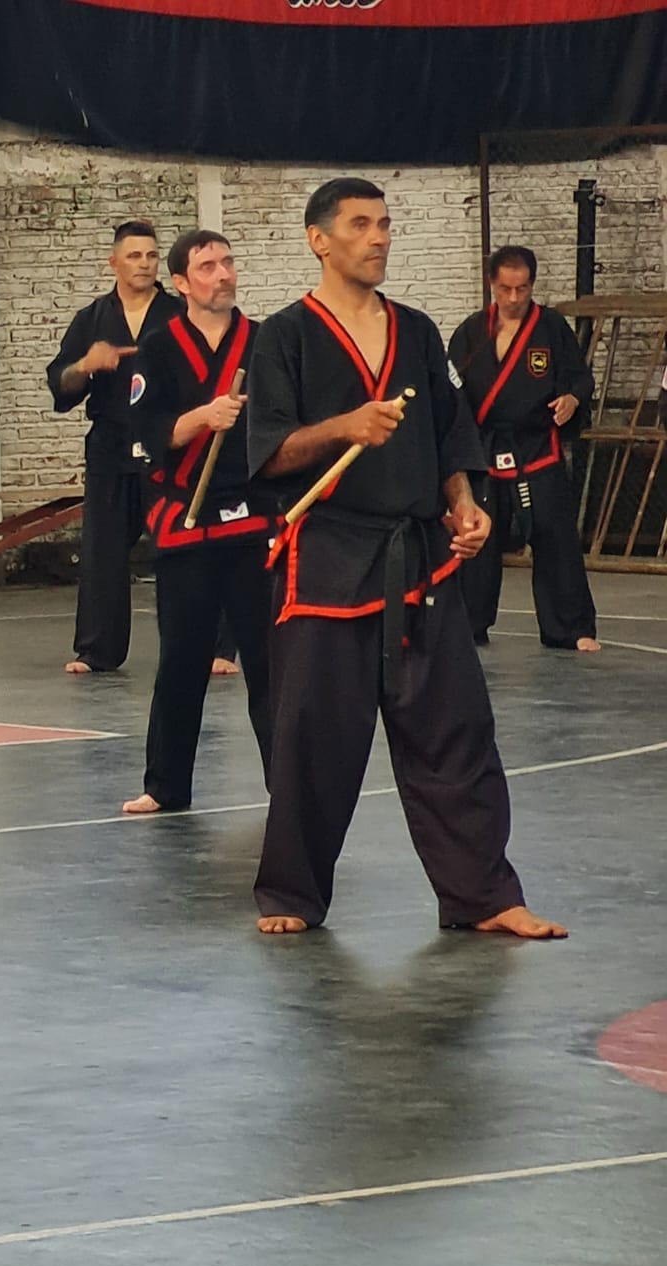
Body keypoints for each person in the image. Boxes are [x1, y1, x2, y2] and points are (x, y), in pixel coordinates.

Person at [246, 179, 565, 941]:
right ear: (319, 239)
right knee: (316, 735)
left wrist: (464, 502)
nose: (379, 237)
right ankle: (291, 890)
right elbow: (272, 451)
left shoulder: (417, 332)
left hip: (420, 557)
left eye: (385, 223)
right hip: (328, 557)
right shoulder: (285, 336)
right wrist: (345, 426)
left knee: (457, 728)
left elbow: (452, 436)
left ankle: (483, 894)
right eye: (360, 224)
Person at [122, 230, 273, 815]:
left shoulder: (263, 342)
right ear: (181, 282)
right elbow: (146, 433)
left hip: (252, 521)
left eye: (227, 262)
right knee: (182, 660)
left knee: (268, 661)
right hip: (185, 519)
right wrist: (203, 417)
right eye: (207, 266)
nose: (223, 274)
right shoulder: (159, 349)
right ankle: (165, 785)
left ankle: (287, 784)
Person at [449, 246, 599, 654]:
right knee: (477, 536)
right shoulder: (470, 332)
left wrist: (571, 399)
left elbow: (580, 378)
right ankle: (466, 624)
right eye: (505, 289)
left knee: (554, 537)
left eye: (522, 288)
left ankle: (569, 627)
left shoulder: (551, 328)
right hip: (484, 450)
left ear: (532, 284)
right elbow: (451, 390)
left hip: (536, 447)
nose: (514, 298)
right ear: (491, 285)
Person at [47, 221, 181, 674]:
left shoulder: (179, 315)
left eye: (151, 256)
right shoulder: (92, 320)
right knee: (102, 550)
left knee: (185, 548)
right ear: (114, 263)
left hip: (169, 444)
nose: (144, 264)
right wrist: (85, 365)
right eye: (134, 256)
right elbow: (61, 384)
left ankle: (209, 646)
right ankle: (97, 649)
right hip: (111, 444)